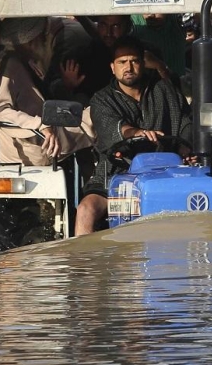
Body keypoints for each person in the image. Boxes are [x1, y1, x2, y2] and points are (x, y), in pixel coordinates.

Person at [75, 36, 193, 235]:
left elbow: (185, 122)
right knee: (86, 209)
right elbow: (116, 128)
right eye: (122, 62)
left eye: (134, 61)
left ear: (143, 64)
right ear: (112, 67)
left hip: (166, 172)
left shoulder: (164, 90)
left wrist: (186, 147)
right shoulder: (102, 99)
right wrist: (136, 133)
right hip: (115, 173)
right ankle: (83, 265)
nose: (128, 67)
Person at [0, 16, 94, 166]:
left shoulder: (21, 60)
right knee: (98, 117)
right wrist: (41, 125)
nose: (45, 41)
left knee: (84, 104)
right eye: (42, 37)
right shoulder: (8, 65)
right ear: (31, 42)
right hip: (35, 144)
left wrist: (66, 86)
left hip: (37, 135)